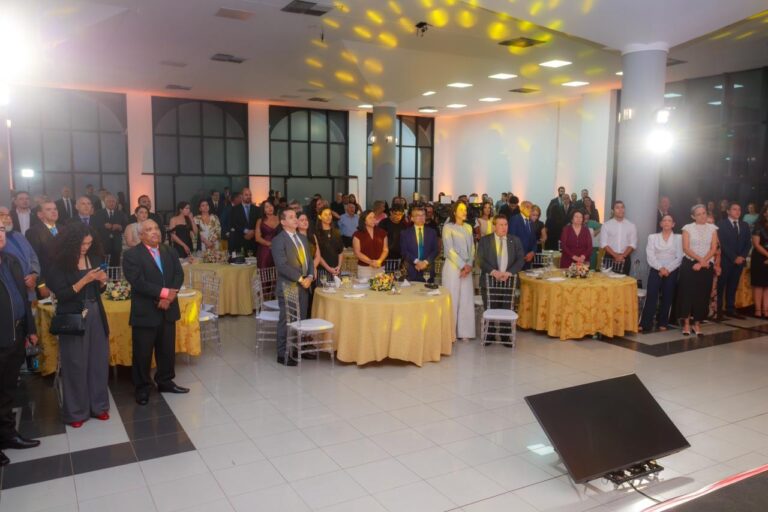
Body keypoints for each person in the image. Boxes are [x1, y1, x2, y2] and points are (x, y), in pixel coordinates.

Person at [46, 224, 110, 427]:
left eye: (89, 243)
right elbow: (63, 295)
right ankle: (76, 413)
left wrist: (102, 282)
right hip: (73, 316)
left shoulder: (95, 258)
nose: (86, 247)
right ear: (71, 242)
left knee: (98, 362)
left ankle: (99, 407)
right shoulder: (59, 264)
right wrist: (85, 279)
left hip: (96, 313)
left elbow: (99, 290)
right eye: (82, 244)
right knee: (75, 364)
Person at [123, 220, 188, 405]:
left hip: (168, 309)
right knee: (143, 352)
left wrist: (169, 297)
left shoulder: (169, 250)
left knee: (166, 349)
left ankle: (165, 381)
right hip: (146, 311)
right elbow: (138, 282)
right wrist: (163, 293)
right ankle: (142, 388)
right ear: (140, 235)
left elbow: (178, 275)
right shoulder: (132, 255)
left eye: (156, 229)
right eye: (149, 230)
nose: (154, 232)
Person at [0, 227, 40, 466]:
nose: (0, 235)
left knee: (7, 391)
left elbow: (23, 298)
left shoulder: (11, 260)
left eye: (1, 230)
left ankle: (7, 435)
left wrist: (31, 329)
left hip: (15, 336)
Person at [271, 209, 314, 366]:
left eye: (295, 217)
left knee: (301, 319)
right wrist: (301, 279)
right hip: (289, 286)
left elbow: (309, 261)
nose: (295, 219)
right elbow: (282, 266)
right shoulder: (278, 240)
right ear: (283, 222)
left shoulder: (302, 238)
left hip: (304, 286)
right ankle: (282, 354)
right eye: (291, 217)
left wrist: (310, 277)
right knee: (287, 320)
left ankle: (298, 349)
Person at [476, 216, 525, 345]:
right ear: (494, 226)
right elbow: (480, 259)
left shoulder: (515, 240)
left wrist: (509, 273)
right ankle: (490, 335)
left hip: (508, 282)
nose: (504, 227)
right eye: (501, 225)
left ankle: (505, 336)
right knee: (490, 307)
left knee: (506, 308)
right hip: (489, 281)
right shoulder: (485, 241)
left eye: (506, 224)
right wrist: (494, 272)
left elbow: (521, 259)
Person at [677, 204, 719, 336]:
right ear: (693, 216)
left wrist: (702, 262)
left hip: (706, 264)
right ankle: (686, 324)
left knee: (702, 295)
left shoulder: (713, 228)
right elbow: (686, 248)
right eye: (699, 214)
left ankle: (697, 323)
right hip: (690, 264)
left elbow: (713, 249)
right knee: (688, 294)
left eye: (704, 213)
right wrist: (700, 261)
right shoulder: (687, 228)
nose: (702, 216)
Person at [640, 214, 683, 332]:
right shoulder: (652, 237)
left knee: (668, 296)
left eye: (669, 220)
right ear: (661, 223)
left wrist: (667, 269)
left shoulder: (678, 238)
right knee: (651, 295)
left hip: (671, 271)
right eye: (664, 220)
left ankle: (663, 322)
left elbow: (679, 257)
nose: (667, 222)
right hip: (656, 269)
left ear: (673, 224)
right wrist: (660, 268)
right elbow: (650, 255)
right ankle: (645, 323)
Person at [442, 202, 476, 341]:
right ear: (454, 212)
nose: (464, 212)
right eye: (461, 209)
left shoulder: (468, 227)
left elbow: (472, 248)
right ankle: (450, 333)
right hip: (452, 267)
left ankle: (465, 332)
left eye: (465, 209)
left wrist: (468, 265)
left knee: (466, 299)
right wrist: (462, 265)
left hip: (466, 269)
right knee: (452, 298)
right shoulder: (448, 227)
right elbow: (449, 249)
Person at [715, 203, 751, 320]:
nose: (737, 211)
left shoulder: (744, 225)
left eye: (739, 209)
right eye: (734, 209)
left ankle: (730, 309)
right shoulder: (721, 224)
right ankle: (718, 310)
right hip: (725, 261)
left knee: (733, 286)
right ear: (728, 211)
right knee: (721, 286)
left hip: (739, 262)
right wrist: (734, 257)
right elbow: (722, 244)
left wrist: (742, 256)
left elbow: (748, 243)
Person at [1, 207, 41, 300]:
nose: (7, 218)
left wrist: (34, 275)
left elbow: (33, 257)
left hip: (30, 292)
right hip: (10, 296)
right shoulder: (1, 241)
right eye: (2, 215)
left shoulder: (18, 235)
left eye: (8, 215)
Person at [400, 207, 438, 282]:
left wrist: (425, 262)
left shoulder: (432, 232)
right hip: (411, 270)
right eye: (418, 215)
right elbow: (404, 251)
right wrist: (417, 262)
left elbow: (435, 250)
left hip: (428, 270)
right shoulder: (405, 233)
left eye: (423, 215)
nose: (421, 217)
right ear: (412, 218)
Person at [599, 200, 637, 275]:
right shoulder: (606, 225)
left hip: (625, 258)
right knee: (608, 284)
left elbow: (633, 244)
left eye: (622, 207)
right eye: (617, 208)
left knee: (623, 284)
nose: (620, 210)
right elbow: (604, 244)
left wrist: (622, 256)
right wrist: (615, 255)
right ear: (613, 211)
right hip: (609, 257)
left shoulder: (631, 225)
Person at [25, 201, 62, 275]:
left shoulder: (64, 228)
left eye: (55, 209)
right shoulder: (33, 232)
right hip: (47, 277)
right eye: (48, 209)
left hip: (66, 275)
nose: (54, 212)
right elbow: (33, 259)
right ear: (40, 214)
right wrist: (41, 283)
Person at [92, 194, 127, 266]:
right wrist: (103, 226)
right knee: (102, 263)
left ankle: (114, 277)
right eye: (109, 201)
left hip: (116, 243)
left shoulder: (121, 213)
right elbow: (94, 226)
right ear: (105, 202)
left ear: (116, 202)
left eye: (113, 201)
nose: (111, 203)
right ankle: (103, 276)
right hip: (103, 243)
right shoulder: (98, 213)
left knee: (115, 264)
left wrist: (120, 227)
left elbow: (126, 226)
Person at [353, 210, 388, 280]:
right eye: (370, 218)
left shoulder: (382, 232)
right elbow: (357, 252)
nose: (373, 219)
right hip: (364, 268)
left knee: (380, 288)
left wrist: (379, 261)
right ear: (364, 221)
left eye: (374, 217)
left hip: (380, 267)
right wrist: (370, 262)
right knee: (364, 289)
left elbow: (385, 249)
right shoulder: (357, 234)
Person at [315, 207, 344, 279]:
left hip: (336, 270)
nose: (328, 217)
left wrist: (339, 266)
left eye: (330, 214)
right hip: (322, 270)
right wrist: (329, 269)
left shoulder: (336, 232)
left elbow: (340, 251)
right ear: (320, 216)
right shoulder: (316, 234)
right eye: (325, 215)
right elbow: (317, 255)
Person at [230, 188, 260, 255]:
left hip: (254, 242)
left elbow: (259, 223)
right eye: (246, 195)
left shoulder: (257, 209)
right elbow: (234, 223)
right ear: (241, 196)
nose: (248, 196)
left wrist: (253, 231)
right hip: (241, 240)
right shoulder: (235, 209)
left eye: (250, 195)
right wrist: (246, 231)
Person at [750, 205, 768, 317]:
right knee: (759, 285)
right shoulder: (758, 226)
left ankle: (766, 310)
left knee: (767, 285)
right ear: (764, 213)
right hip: (759, 257)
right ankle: (757, 310)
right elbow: (756, 244)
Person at [508, 201, 537, 269]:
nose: (530, 210)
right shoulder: (515, 219)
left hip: (529, 259)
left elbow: (534, 241)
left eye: (531, 208)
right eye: (527, 207)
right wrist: (522, 255)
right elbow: (512, 239)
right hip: (518, 259)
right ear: (521, 208)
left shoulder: (531, 222)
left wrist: (532, 252)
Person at [255, 200, 279, 268]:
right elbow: (257, 238)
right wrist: (270, 244)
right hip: (265, 250)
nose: (270, 208)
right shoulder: (260, 221)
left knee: (278, 272)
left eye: (271, 206)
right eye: (267, 207)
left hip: (278, 249)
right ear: (263, 210)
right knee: (265, 274)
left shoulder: (279, 218)